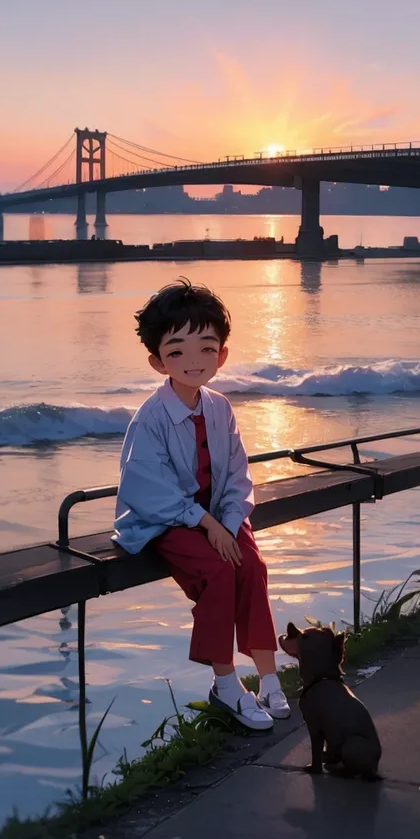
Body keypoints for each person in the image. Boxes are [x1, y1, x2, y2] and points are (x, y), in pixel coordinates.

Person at [112, 279, 290, 729]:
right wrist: (204, 521)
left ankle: (268, 677)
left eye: (206, 348)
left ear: (222, 354)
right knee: (217, 572)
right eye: (176, 352)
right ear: (157, 361)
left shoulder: (220, 407)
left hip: (216, 516)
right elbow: (147, 490)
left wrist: (228, 523)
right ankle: (226, 685)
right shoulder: (150, 419)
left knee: (251, 565)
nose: (193, 361)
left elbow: (236, 475)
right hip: (165, 522)